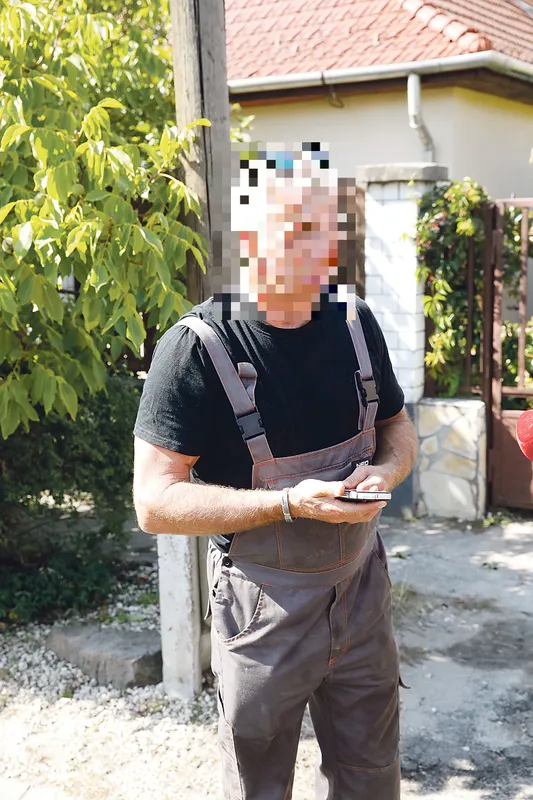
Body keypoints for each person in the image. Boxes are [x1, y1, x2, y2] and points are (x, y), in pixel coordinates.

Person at [133, 143, 418, 800]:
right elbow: (154, 501)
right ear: (249, 236)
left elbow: (398, 427)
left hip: (361, 595)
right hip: (262, 611)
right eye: (297, 229)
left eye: (325, 228)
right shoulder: (198, 347)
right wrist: (287, 503)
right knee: (257, 786)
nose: (318, 249)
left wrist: (386, 470)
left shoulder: (355, 323)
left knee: (372, 777)